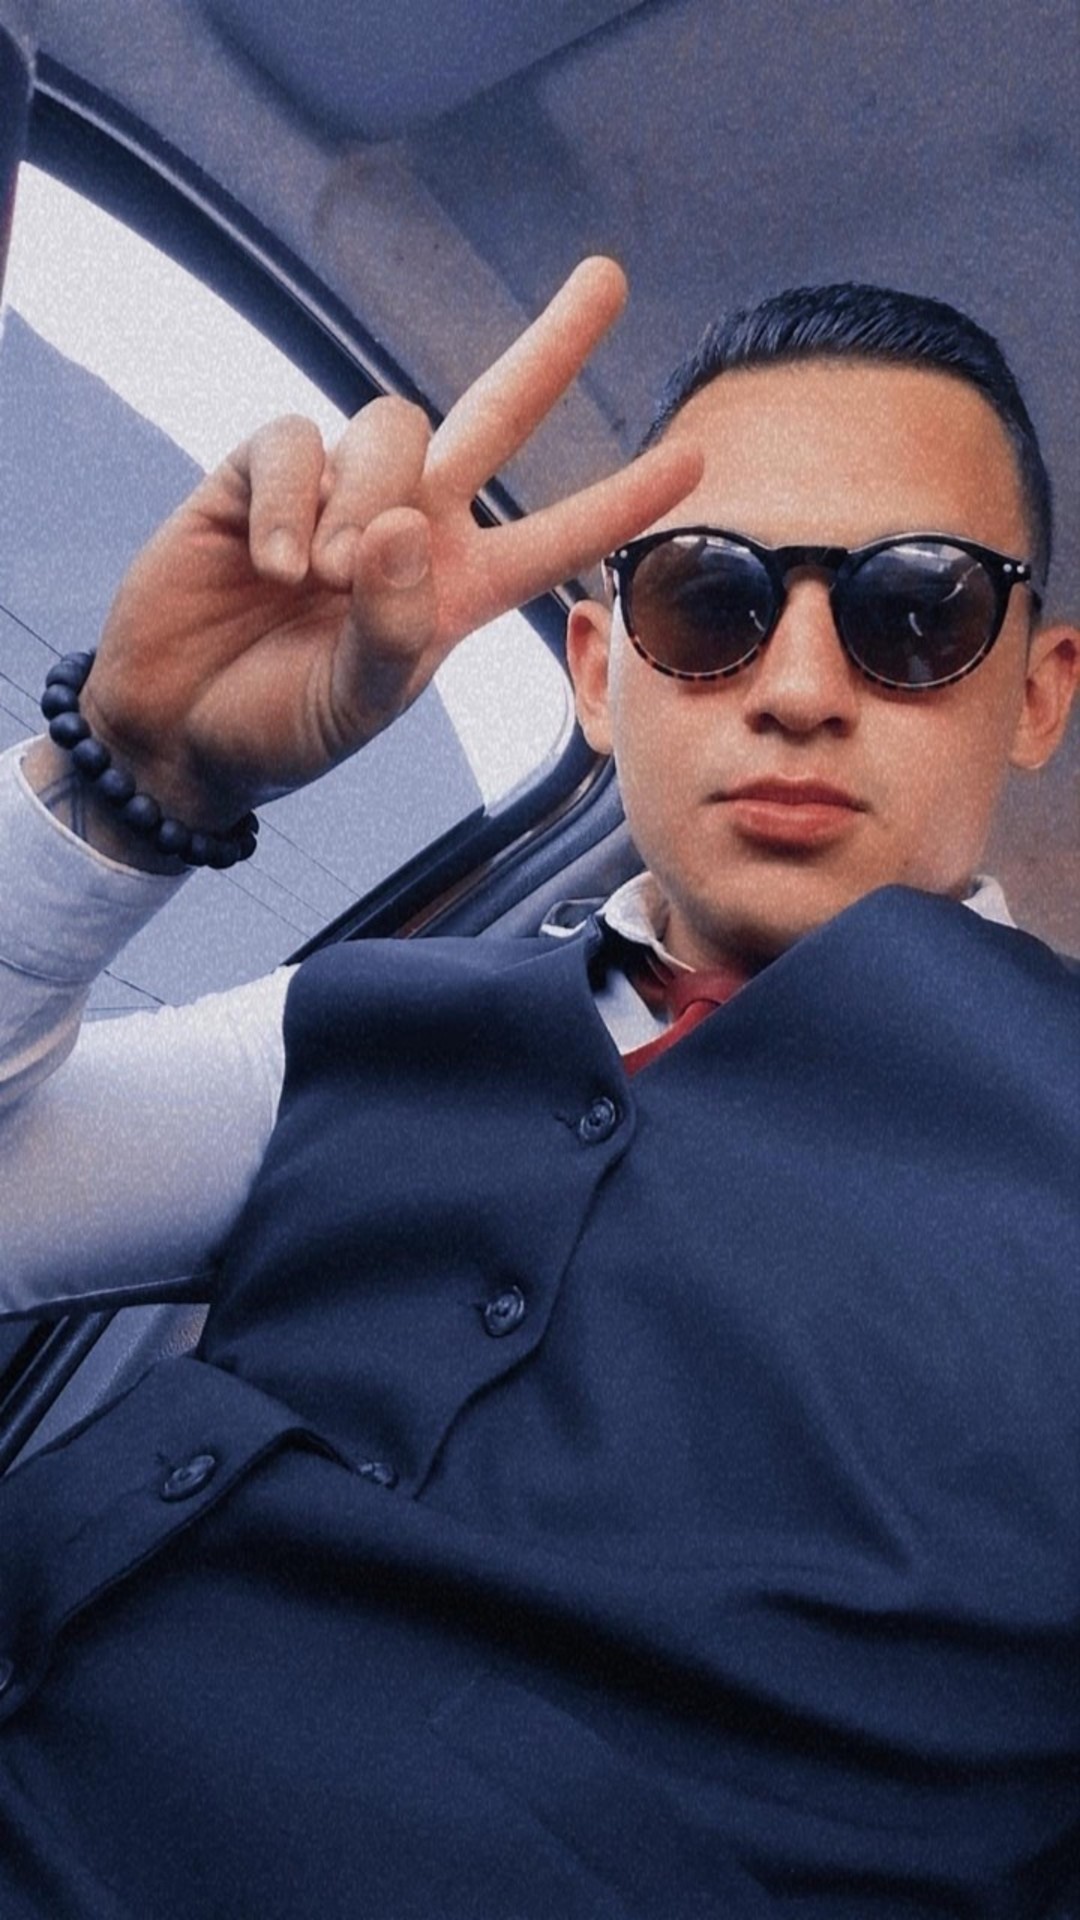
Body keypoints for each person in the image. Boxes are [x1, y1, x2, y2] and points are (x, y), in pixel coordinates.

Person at [0, 255, 1077, 1917]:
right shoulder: (364, 1022)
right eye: (708, 601)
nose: (799, 689)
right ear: (595, 668)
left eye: (915, 612)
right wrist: (132, 772)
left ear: (1038, 692)